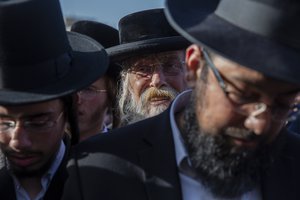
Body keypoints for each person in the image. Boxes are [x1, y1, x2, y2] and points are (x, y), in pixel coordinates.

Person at [62, 0, 300, 199]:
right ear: (196, 67)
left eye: (282, 104)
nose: (259, 123)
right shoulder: (98, 168)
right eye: (242, 95)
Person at [0, 0, 108, 199]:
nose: (18, 141)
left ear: (69, 108)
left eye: (38, 122)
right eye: (5, 123)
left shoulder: (111, 183)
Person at [106, 8, 190, 126]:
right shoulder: (113, 143)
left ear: (191, 72)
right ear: (127, 83)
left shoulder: (217, 139)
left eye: (170, 66)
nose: (157, 81)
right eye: (143, 69)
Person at [70, 20, 121, 140]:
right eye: (69, 86)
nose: (75, 98)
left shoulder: (125, 154)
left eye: (87, 89)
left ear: (111, 97)